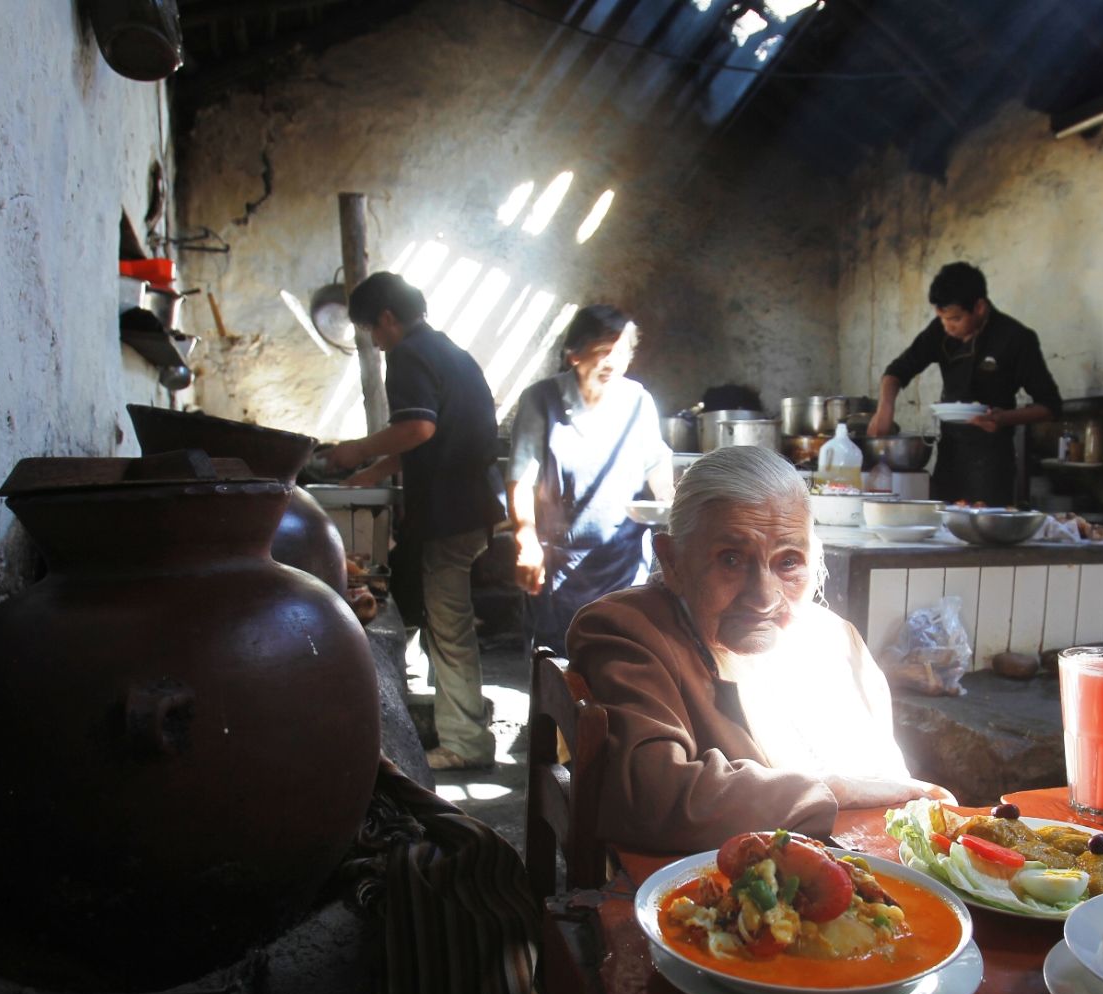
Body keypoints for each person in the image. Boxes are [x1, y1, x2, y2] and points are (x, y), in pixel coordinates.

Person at [566, 446, 951, 853]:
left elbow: (890, 785)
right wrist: (832, 788)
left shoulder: (836, 641)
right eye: (731, 559)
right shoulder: (627, 631)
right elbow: (654, 797)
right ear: (673, 561)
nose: (764, 597)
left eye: (788, 562)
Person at [322, 272, 501, 771]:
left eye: (372, 332)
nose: (376, 344)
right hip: (469, 505)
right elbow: (427, 438)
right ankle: (460, 727)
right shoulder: (447, 350)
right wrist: (372, 472)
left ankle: (465, 742)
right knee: (446, 623)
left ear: (386, 318)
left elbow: (418, 428)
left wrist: (356, 449)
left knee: (448, 628)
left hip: (451, 511)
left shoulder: (408, 353)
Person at [507, 305, 675, 653]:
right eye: (602, 353)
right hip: (561, 565)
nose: (612, 364)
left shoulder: (636, 400)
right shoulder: (542, 401)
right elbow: (520, 477)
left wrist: (670, 505)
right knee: (559, 663)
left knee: (621, 655)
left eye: (621, 354)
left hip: (624, 559)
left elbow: (655, 463)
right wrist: (526, 540)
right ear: (574, 355)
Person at [867, 261, 1061, 505]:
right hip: (950, 453)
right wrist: (885, 409)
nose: (948, 327)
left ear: (979, 307)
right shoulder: (941, 330)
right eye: (942, 318)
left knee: (984, 535)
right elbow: (897, 371)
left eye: (956, 319)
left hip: (991, 460)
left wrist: (1002, 418)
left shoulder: (1016, 338)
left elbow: (1051, 407)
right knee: (942, 531)